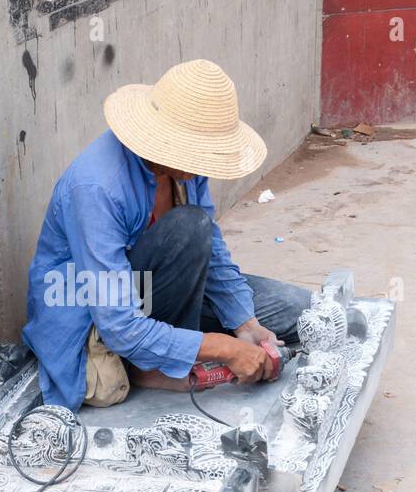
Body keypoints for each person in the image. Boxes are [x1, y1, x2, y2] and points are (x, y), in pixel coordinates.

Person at [23, 59, 311, 411]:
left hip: (156, 290)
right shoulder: (96, 187)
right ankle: (151, 366)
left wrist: (245, 325)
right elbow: (120, 324)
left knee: (298, 311)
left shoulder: (187, 169)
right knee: (188, 226)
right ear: (165, 141)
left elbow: (213, 254)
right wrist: (223, 348)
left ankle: (176, 345)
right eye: (197, 152)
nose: (202, 166)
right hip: (92, 307)